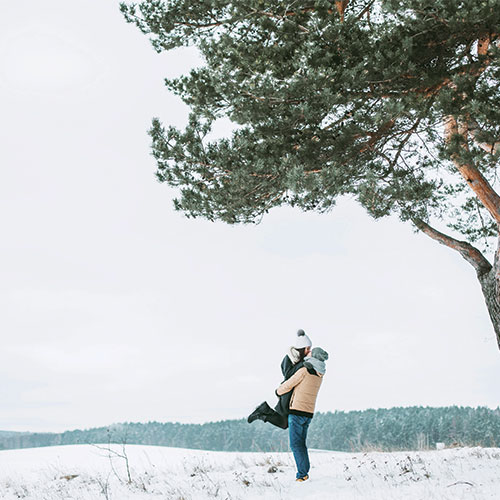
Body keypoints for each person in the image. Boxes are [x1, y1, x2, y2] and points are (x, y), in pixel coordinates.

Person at [276, 347, 328, 482]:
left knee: (295, 445)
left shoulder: (304, 370)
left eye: (311, 352)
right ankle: (304, 472)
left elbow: (289, 384)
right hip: (308, 413)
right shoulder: (320, 373)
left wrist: (278, 391)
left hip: (296, 412)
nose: (308, 353)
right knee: (301, 444)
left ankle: (302, 474)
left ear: (314, 356)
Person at [247, 330, 312, 429]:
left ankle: (263, 412)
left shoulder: (300, 360)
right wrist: (303, 364)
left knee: (285, 423)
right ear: (302, 348)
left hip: (292, 393)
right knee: (284, 424)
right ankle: (262, 411)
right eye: (308, 348)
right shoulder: (289, 358)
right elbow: (289, 375)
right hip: (287, 392)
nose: (309, 351)